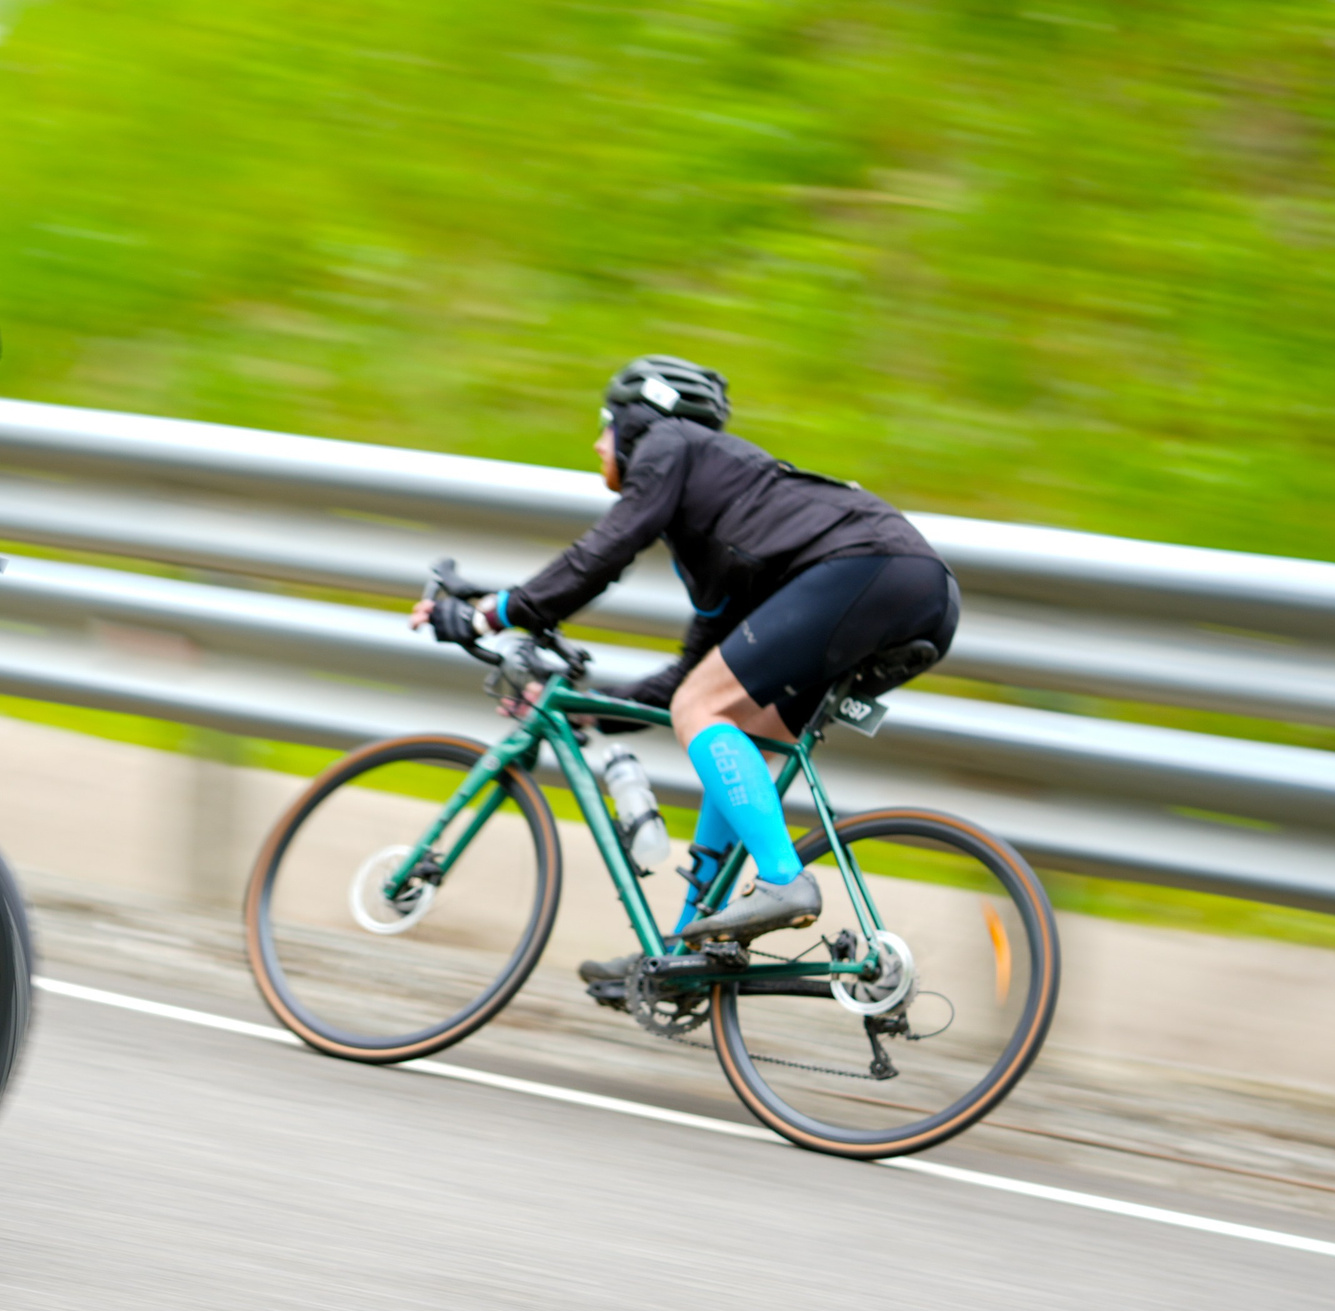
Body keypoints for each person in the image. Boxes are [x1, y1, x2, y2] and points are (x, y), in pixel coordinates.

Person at [411, 355, 958, 948]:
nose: (599, 443)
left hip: (866, 571)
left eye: (605, 424)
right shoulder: (725, 531)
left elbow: (608, 549)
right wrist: (581, 706)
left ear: (638, 418)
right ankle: (688, 946)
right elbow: (683, 678)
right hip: (912, 592)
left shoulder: (668, 442)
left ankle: (783, 881)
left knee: (704, 709)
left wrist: (489, 613)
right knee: (733, 723)